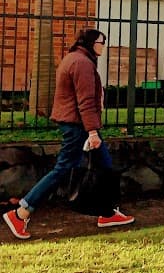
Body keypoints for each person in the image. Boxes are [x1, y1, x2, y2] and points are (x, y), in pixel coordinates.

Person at [3, 29, 134, 240]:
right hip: (78, 126)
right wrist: (92, 131)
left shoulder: (75, 58)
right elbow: (85, 101)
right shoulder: (82, 63)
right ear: (91, 42)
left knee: (105, 166)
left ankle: (107, 213)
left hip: (79, 123)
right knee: (63, 169)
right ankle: (21, 213)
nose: (103, 46)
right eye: (102, 42)